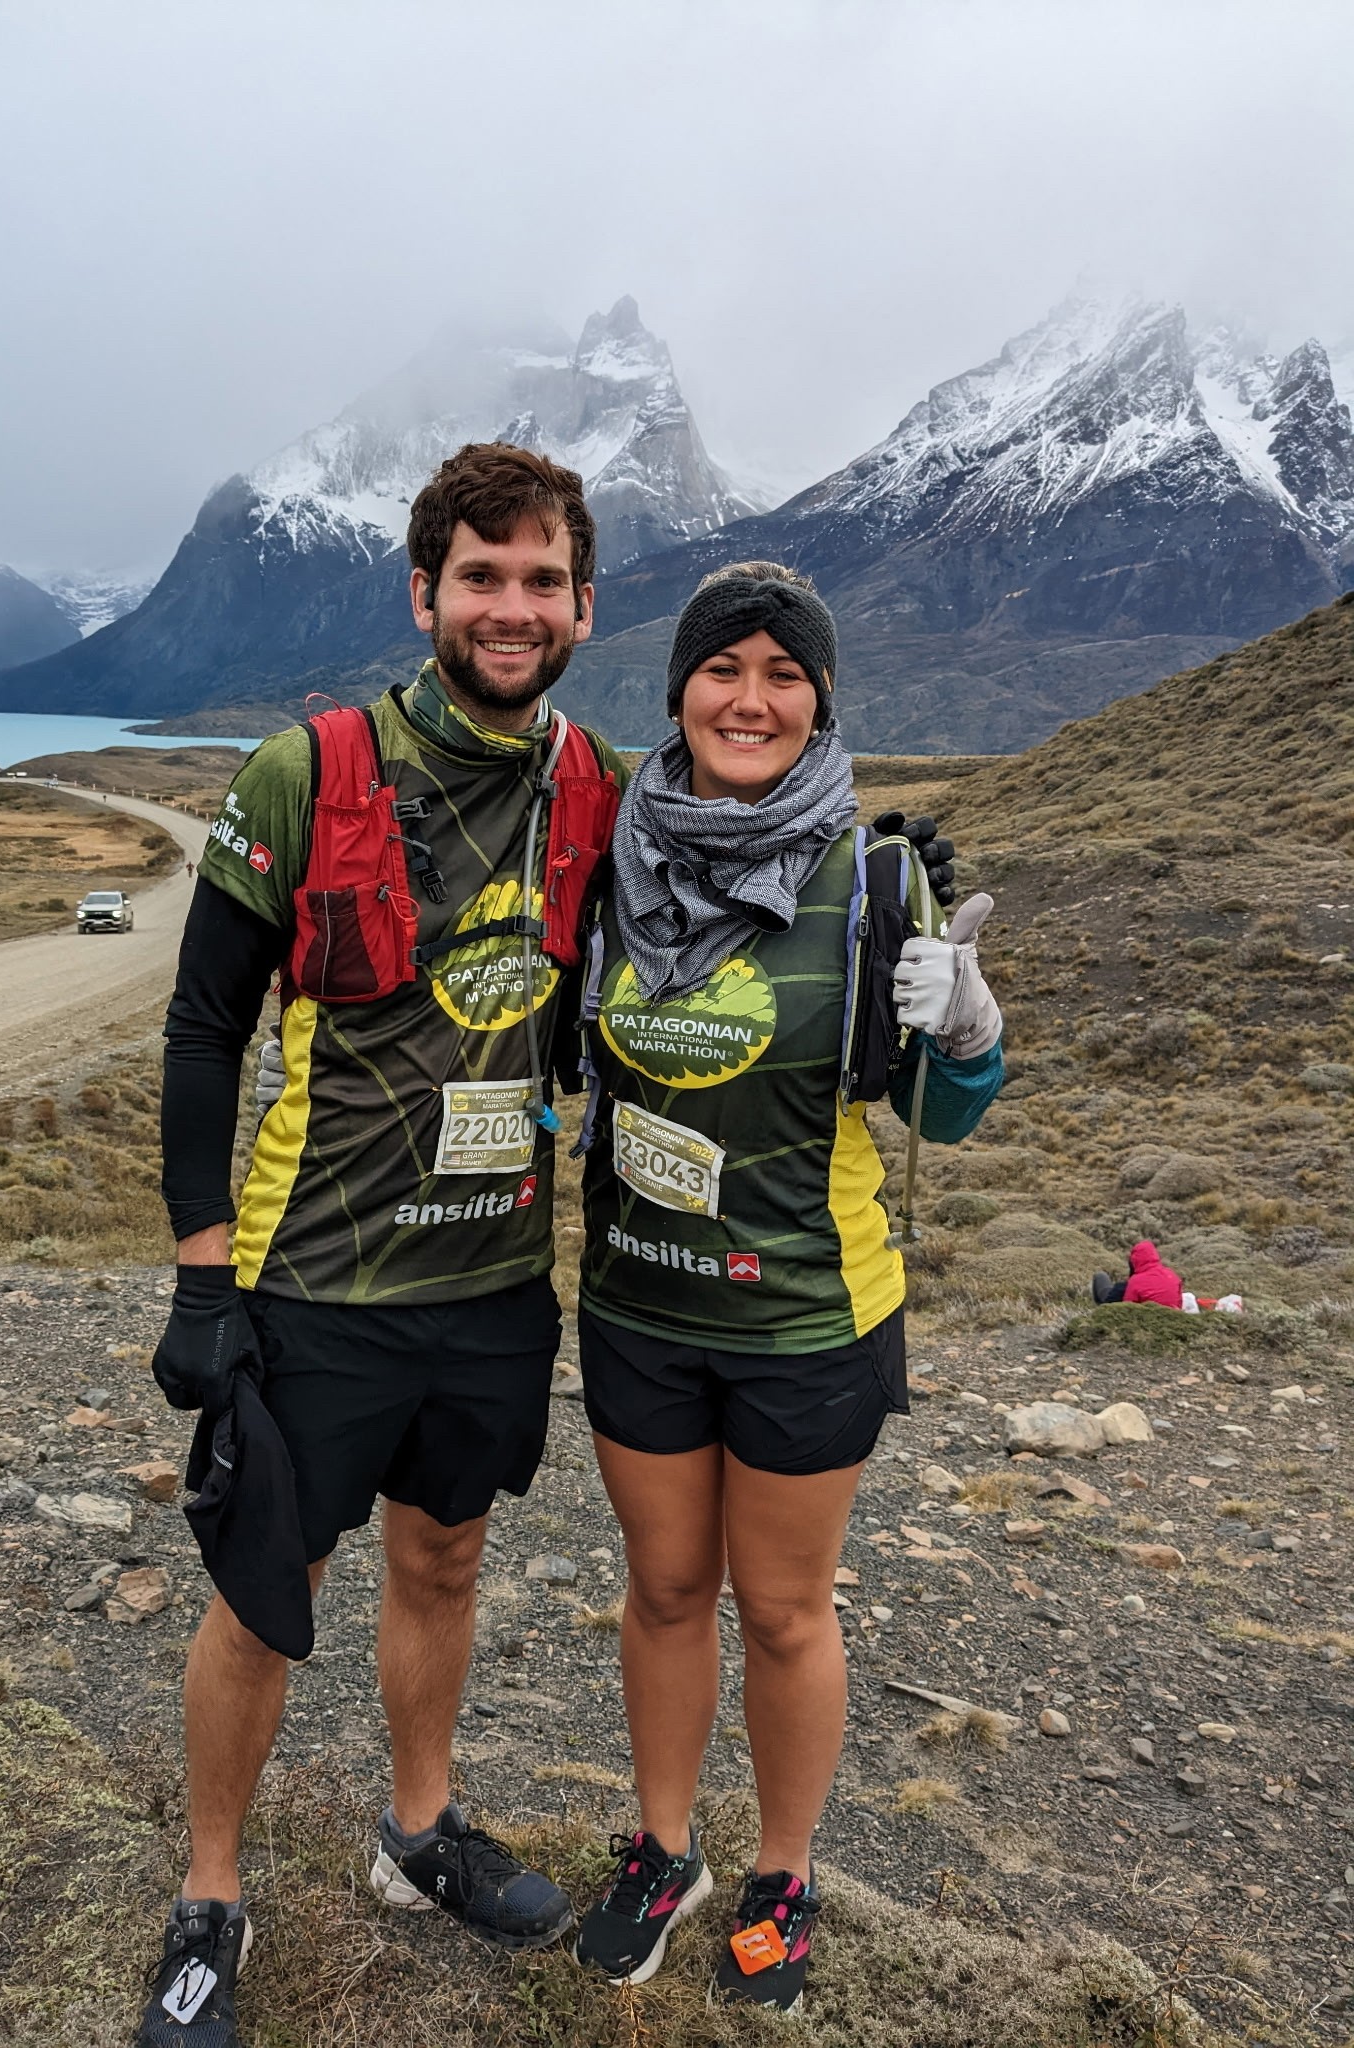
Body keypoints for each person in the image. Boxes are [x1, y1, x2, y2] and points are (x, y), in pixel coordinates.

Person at [136, 444, 625, 2048]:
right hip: (317, 1280)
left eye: (541, 579)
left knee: (447, 1560)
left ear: (583, 605)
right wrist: (203, 1275)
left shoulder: (600, 788)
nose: (511, 607)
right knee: (266, 1593)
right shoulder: (308, 772)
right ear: (425, 594)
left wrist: (876, 886)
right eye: (481, 577)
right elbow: (203, 1031)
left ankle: (419, 1836)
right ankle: (210, 1896)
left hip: (492, 1283)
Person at [567, 563, 1004, 2013]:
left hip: (808, 1316)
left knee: (784, 1611)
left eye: (784, 674)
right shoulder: (612, 861)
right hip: (638, 1304)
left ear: (819, 702)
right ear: (679, 689)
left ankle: (784, 1875)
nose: (750, 699)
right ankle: (663, 1851)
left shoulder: (875, 880)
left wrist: (969, 1030)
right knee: (664, 1588)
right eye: (723, 668)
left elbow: (941, 1115)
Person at [1092, 1240, 1183, 1307]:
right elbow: (1179, 1304)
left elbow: (1128, 1307)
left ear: (1134, 1261)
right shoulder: (1172, 1275)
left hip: (1144, 1320)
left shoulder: (1135, 1281)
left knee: (1100, 1276)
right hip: (1168, 1318)